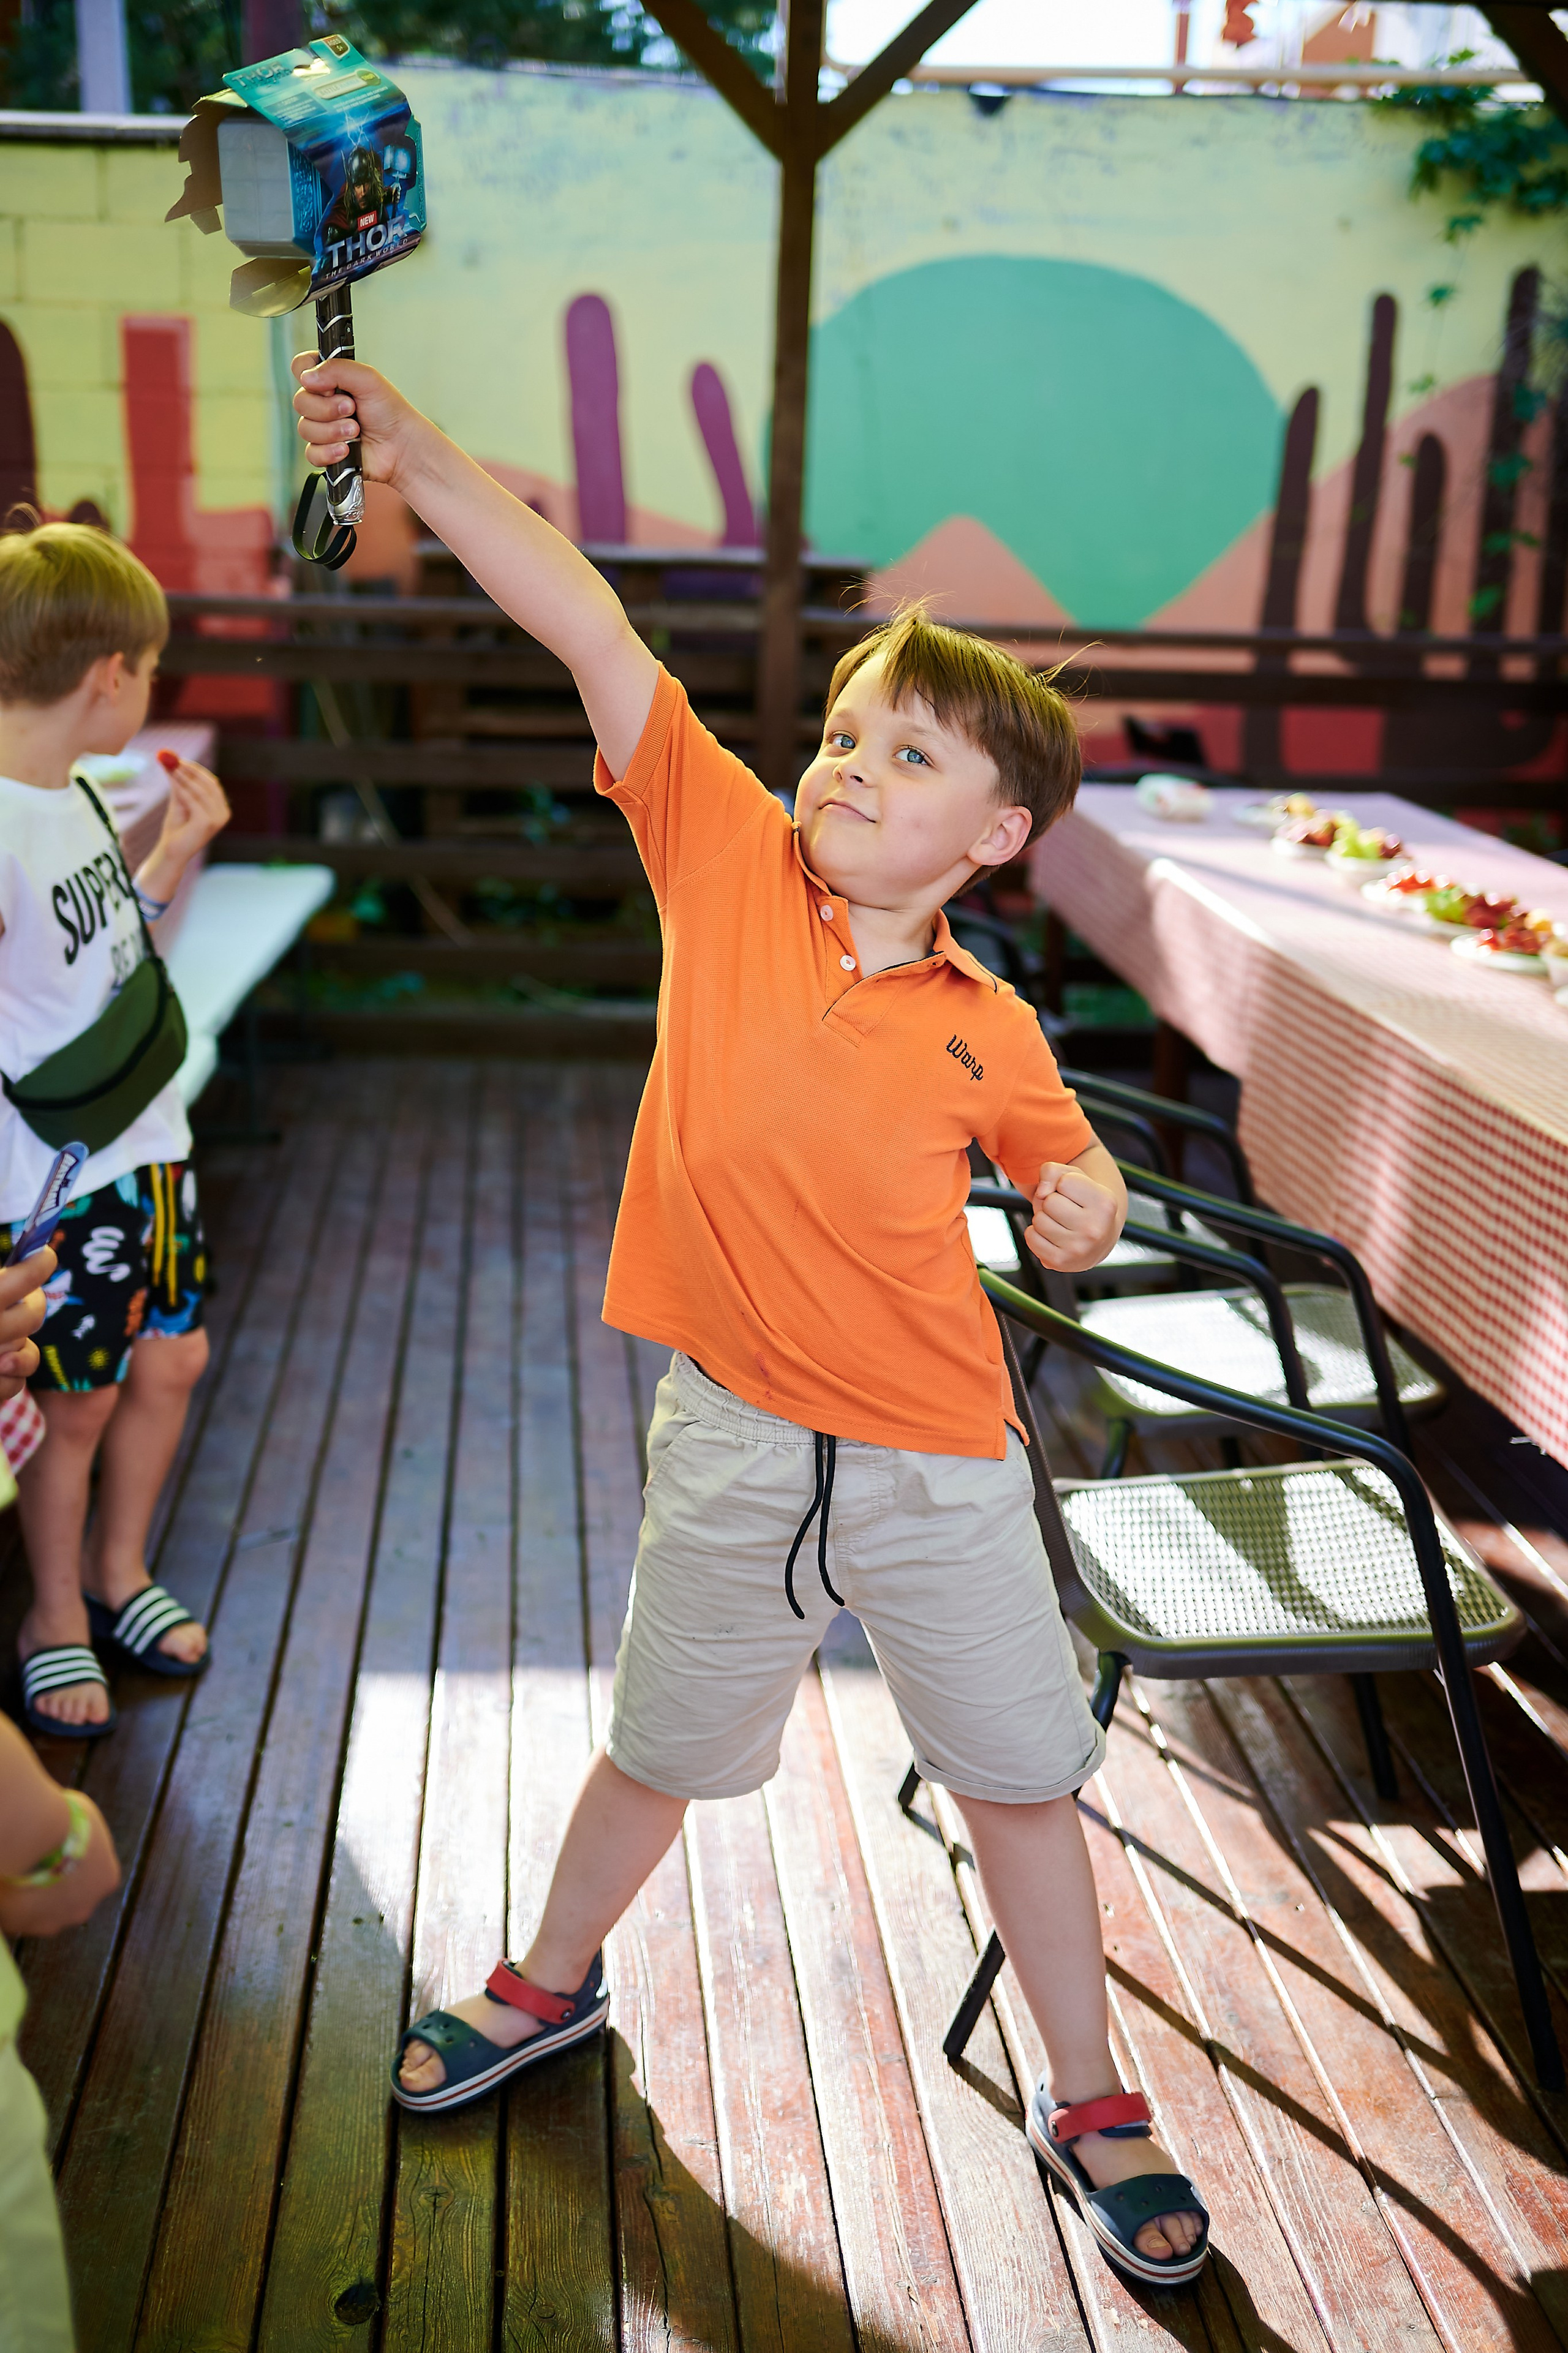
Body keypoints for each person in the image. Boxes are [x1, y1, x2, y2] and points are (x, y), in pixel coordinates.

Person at [293, 356, 1210, 2286]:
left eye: (908, 758)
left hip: (942, 1464)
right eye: (850, 732)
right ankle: (549, 1980)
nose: (850, 767)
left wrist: (1085, 1204)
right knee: (657, 1743)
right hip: (731, 1434)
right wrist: (424, 456)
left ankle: (1093, 2088)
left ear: (997, 837)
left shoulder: (991, 1021)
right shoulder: (722, 863)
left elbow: (1077, 1192)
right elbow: (589, 624)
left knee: (1021, 1781)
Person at [0, 522, 230, 1737]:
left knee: (172, 1360)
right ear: (105, 677)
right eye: (147, 666)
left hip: (150, 1142)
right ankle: (52, 1615)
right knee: (73, 1403)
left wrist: (171, 850)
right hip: (57, 1180)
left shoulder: (79, 792)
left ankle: (118, 1566)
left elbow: (103, 951)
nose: (151, 688)